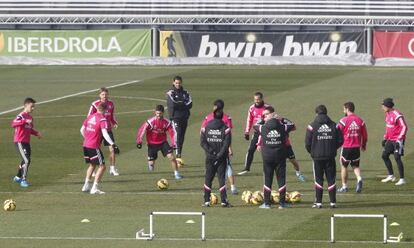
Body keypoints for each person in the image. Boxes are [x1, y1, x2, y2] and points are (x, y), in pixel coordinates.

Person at [256, 106, 295, 209]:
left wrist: (263, 119)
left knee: (267, 179)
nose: (264, 116)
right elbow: (292, 125)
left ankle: (267, 203)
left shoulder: (263, 127)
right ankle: (282, 204)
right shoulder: (283, 127)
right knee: (281, 179)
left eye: (265, 115)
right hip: (280, 156)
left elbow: (255, 125)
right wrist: (281, 119)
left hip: (267, 157)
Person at [305, 105, 343, 208]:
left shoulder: (312, 126)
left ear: (316, 113)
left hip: (317, 158)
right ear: (326, 113)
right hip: (330, 157)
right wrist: (332, 148)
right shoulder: (334, 125)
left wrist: (313, 152)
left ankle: (319, 203)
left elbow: (307, 143)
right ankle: (333, 202)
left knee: (318, 179)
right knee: (331, 179)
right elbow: (340, 141)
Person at [81, 103, 120, 195]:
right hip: (94, 146)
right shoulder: (102, 119)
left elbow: (82, 129)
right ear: (106, 110)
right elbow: (105, 134)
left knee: (92, 165)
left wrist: (87, 138)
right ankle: (94, 187)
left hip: (86, 144)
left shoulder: (90, 117)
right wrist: (113, 144)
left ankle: (86, 185)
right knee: (102, 166)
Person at [201, 99, 238, 194]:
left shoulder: (209, 117)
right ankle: (232, 188)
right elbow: (228, 135)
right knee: (227, 167)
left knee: (210, 171)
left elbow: (202, 131)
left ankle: (207, 196)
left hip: (210, 148)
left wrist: (207, 146)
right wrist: (229, 148)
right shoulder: (226, 118)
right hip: (221, 149)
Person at [136, 105, 183, 180]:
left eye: (160, 113)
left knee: (172, 157)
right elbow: (142, 129)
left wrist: (174, 144)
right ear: (155, 113)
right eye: (157, 113)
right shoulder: (150, 122)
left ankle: (176, 174)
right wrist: (139, 141)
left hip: (163, 143)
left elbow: (172, 133)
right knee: (151, 164)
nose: (158, 115)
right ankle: (151, 164)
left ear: (163, 113)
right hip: (152, 144)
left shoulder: (167, 123)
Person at [200, 109, 232, 207]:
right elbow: (226, 144)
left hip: (210, 157)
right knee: (221, 178)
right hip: (221, 158)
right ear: (222, 117)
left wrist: (211, 152)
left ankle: (206, 201)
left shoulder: (206, 127)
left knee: (208, 178)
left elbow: (203, 143)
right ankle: (223, 201)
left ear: (213, 116)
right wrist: (219, 154)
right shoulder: (226, 128)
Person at [337, 102, 368, 193]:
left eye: (344, 109)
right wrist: (363, 145)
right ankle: (359, 179)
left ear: (347, 109)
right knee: (355, 165)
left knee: (344, 166)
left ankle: (344, 186)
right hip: (356, 147)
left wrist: (337, 144)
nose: (343, 111)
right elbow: (365, 136)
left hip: (346, 147)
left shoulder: (343, 120)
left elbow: (337, 133)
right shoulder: (360, 120)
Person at [87, 87, 119, 176]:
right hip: (97, 131)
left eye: (106, 94)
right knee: (95, 149)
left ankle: (112, 168)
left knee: (112, 149)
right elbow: (89, 117)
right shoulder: (95, 104)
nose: (104, 96)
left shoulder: (111, 104)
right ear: (99, 95)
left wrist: (114, 122)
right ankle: (92, 168)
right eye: (102, 94)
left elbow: (111, 115)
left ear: (108, 94)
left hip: (107, 129)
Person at [11, 97, 42, 188]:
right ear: (26, 105)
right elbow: (13, 124)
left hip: (26, 142)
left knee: (26, 160)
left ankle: (17, 177)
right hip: (19, 141)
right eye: (31, 106)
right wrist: (24, 121)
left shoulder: (30, 117)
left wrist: (36, 133)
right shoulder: (21, 115)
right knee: (26, 160)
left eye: (33, 107)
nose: (33, 108)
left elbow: (29, 129)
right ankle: (23, 180)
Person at [238, 92, 271, 175]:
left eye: (258, 99)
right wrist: (247, 132)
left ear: (262, 99)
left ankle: (269, 169)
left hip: (266, 132)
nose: (256, 101)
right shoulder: (251, 108)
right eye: (255, 99)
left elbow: (272, 119)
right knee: (251, 150)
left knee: (267, 151)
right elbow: (249, 120)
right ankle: (246, 168)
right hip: (256, 133)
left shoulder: (268, 108)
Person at [380, 98, 408, 185]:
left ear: (388, 106)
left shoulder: (397, 114)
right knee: (384, 155)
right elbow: (388, 128)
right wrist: (385, 138)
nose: (382, 107)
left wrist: (399, 139)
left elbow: (404, 127)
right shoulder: (387, 114)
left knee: (397, 157)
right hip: (390, 139)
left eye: (383, 106)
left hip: (398, 140)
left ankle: (402, 179)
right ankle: (391, 175)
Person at [166, 76, 192, 159]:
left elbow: (190, 104)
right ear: (173, 83)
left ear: (181, 83)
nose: (178, 84)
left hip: (184, 117)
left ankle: (179, 152)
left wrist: (180, 104)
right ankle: (177, 155)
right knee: (177, 134)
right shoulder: (170, 93)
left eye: (179, 83)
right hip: (175, 117)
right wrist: (183, 104)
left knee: (182, 136)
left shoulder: (186, 92)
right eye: (176, 83)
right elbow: (173, 104)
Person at [277, 116, 306, 182]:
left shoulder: (284, 126)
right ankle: (281, 178)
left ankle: (298, 174)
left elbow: (294, 127)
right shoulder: (271, 126)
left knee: (294, 161)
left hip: (287, 146)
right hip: (278, 147)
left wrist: (283, 119)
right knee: (280, 164)